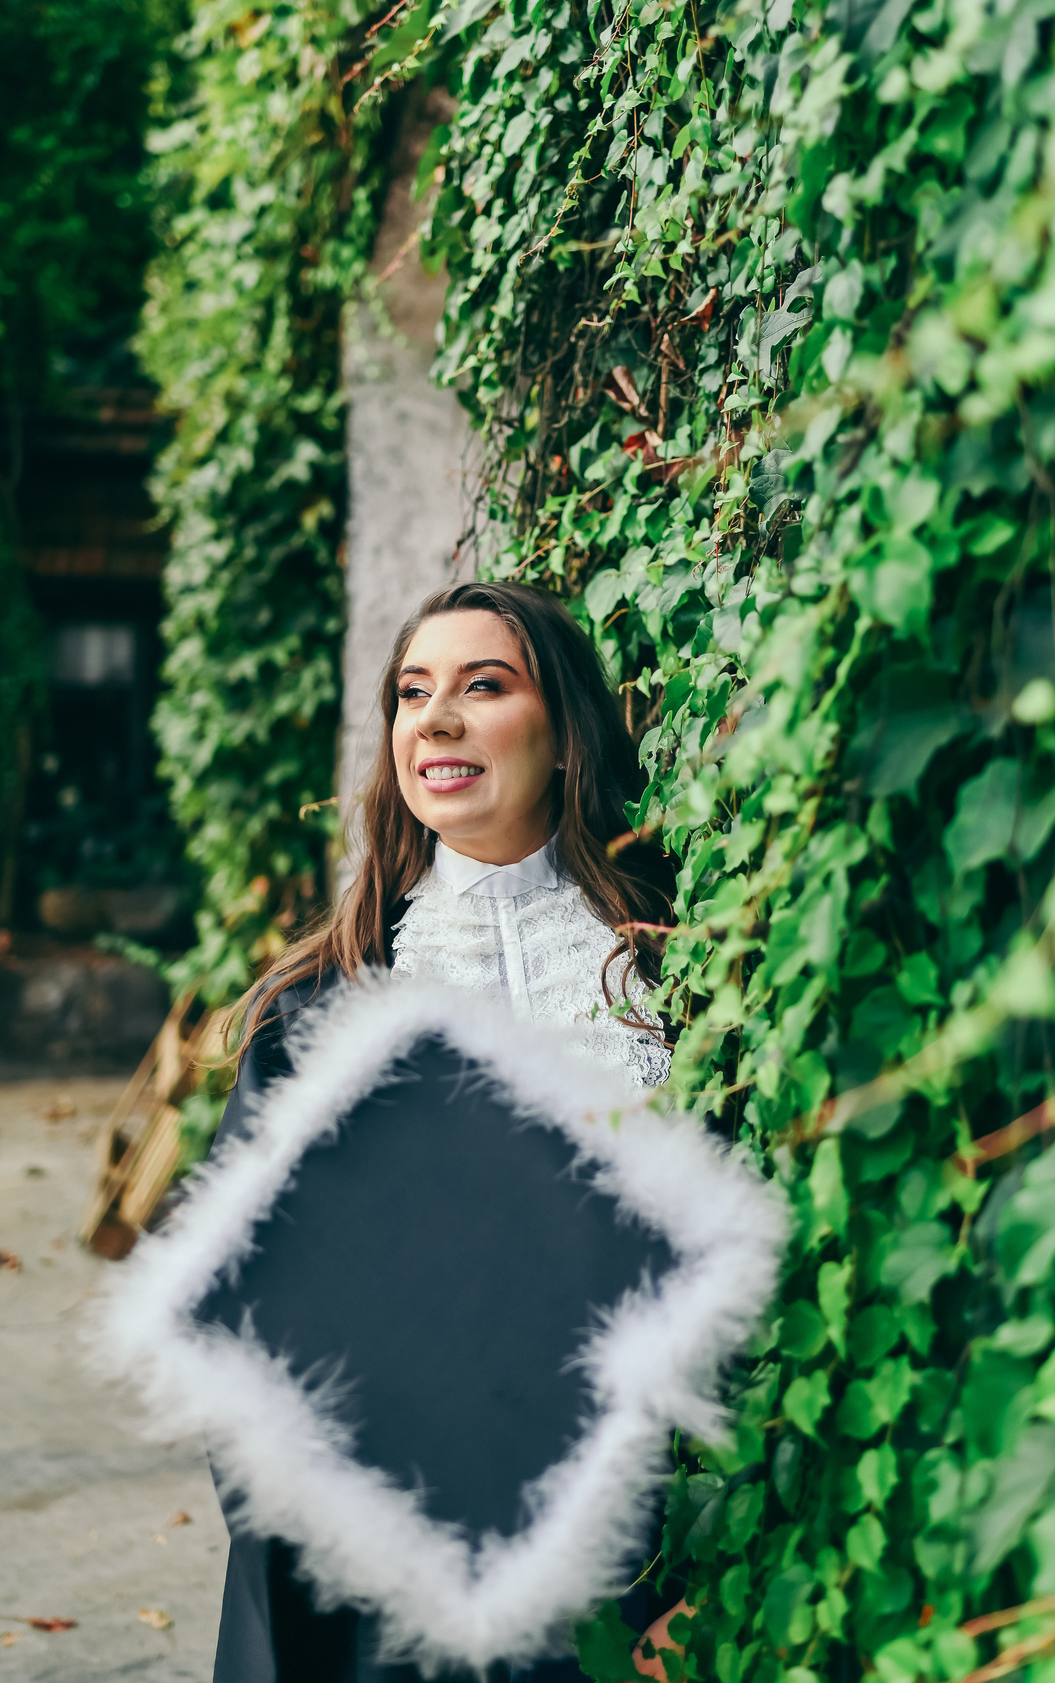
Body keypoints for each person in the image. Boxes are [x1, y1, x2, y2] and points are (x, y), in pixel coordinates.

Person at [211, 581, 688, 1683]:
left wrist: (701, 1566)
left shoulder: (685, 974)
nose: (435, 718)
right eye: (413, 691)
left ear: (567, 736)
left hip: (640, 1567)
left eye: (486, 685)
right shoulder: (315, 1014)